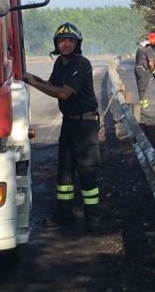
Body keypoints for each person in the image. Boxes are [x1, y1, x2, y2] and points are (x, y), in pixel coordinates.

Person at [24, 22, 102, 232]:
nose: (66, 44)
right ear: (56, 43)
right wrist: (27, 76)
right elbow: (51, 85)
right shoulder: (60, 63)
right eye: (61, 40)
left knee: (87, 171)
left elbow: (63, 93)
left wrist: (32, 82)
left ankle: (92, 219)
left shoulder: (81, 64)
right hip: (69, 122)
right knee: (64, 171)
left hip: (85, 124)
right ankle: (64, 215)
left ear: (77, 44)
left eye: (70, 40)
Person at [134, 32, 155, 114]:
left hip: (137, 69)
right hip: (142, 70)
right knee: (143, 89)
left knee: (141, 88)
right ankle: (143, 109)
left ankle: (143, 107)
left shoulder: (141, 47)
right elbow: (150, 63)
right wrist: (154, 71)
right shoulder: (148, 49)